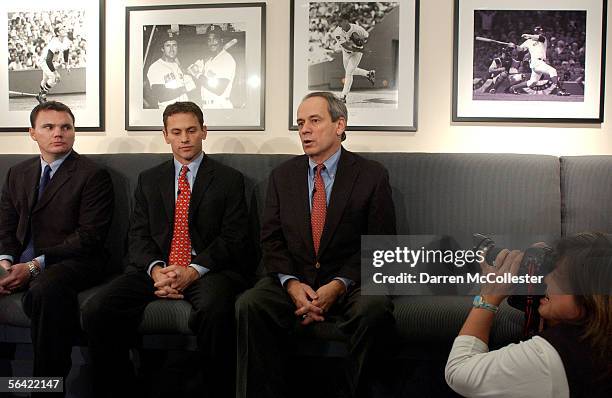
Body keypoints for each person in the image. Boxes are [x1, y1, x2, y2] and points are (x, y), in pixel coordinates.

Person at [82, 101, 250, 398]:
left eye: (191, 130)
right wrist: (157, 271)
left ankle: (214, 390)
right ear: (166, 135)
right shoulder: (149, 179)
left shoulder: (229, 179)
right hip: (155, 268)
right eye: (176, 132)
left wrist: (191, 272)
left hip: (207, 270)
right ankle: (120, 389)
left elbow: (233, 238)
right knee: (98, 309)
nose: (184, 138)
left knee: (216, 310)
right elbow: (138, 235)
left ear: (204, 132)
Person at [235, 91, 396, 398]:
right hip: (294, 276)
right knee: (250, 304)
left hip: (351, 279)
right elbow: (271, 239)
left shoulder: (371, 175)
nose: (304, 129)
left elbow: (381, 243)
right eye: (300, 123)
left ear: (339, 125)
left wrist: (338, 284)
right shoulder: (283, 176)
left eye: (314, 120)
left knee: (374, 308)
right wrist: (292, 285)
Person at [0, 101, 114, 394]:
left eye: (66, 127)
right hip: (21, 262)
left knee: (45, 288)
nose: (59, 133)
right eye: (49, 127)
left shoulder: (92, 174)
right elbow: (6, 224)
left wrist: (34, 266)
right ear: (32, 133)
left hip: (75, 261)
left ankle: (45, 387)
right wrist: (4, 262)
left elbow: (88, 238)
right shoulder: (17, 173)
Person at [445, 232, 612, 398]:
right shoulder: (601, 336)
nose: (547, 280)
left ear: (591, 299)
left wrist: (489, 295)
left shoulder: (556, 355)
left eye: (559, 277)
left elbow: (459, 372)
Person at [507, 26, 570, 96]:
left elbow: (539, 38)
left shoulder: (543, 39)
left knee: (532, 82)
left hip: (540, 62)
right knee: (552, 71)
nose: (541, 33)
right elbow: (520, 49)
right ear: (536, 32)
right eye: (539, 31)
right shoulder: (528, 41)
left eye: (541, 31)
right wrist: (514, 46)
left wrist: (528, 35)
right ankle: (560, 90)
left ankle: (513, 88)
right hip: (536, 62)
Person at [187, 24, 236, 109]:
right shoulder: (208, 61)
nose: (211, 43)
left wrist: (198, 75)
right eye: (209, 40)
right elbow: (189, 71)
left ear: (221, 40)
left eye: (215, 39)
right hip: (206, 106)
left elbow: (219, 89)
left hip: (220, 106)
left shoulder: (227, 59)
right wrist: (193, 69)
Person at [146, 32, 196, 109]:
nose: (172, 49)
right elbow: (160, 95)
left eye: (174, 45)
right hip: (169, 112)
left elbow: (192, 87)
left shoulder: (178, 65)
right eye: (168, 46)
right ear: (162, 48)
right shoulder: (155, 67)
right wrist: (184, 89)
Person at [331, 20, 376, 104]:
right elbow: (347, 47)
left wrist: (361, 40)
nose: (340, 26)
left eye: (342, 23)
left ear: (346, 21)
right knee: (351, 70)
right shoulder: (337, 32)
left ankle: (343, 96)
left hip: (356, 54)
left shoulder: (357, 28)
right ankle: (368, 74)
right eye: (339, 24)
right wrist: (362, 49)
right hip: (347, 52)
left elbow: (367, 36)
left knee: (348, 73)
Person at [36, 26, 72, 104]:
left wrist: (67, 65)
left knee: (45, 79)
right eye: (61, 29)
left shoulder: (66, 41)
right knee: (54, 78)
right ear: (57, 33)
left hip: (52, 61)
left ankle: (40, 95)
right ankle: (42, 96)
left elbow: (66, 52)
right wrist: (56, 73)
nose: (64, 29)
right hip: (45, 61)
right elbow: (48, 60)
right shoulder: (54, 43)